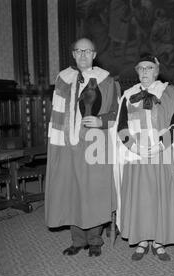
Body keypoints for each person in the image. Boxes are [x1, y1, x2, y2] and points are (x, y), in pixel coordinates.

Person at [45, 38, 120, 257]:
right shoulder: (63, 79)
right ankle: (77, 240)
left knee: (92, 191)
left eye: (87, 51)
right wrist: (56, 143)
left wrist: (101, 121)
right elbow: (55, 114)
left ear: (94, 54)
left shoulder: (106, 80)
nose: (83, 55)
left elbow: (116, 112)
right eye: (78, 51)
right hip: (67, 143)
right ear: (73, 54)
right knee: (72, 191)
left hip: (94, 144)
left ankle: (94, 240)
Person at [115, 54, 174, 261]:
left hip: (162, 154)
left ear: (157, 71)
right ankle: (141, 240)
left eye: (149, 68)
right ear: (137, 72)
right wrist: (134, 147)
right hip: (135, 154)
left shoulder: (169, 93)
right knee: (140, 199)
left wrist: (159, 147)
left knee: (160, 197)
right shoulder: (128, 95)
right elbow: (121, 126)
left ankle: (158, 241)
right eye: (141, 69)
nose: (145, 72)